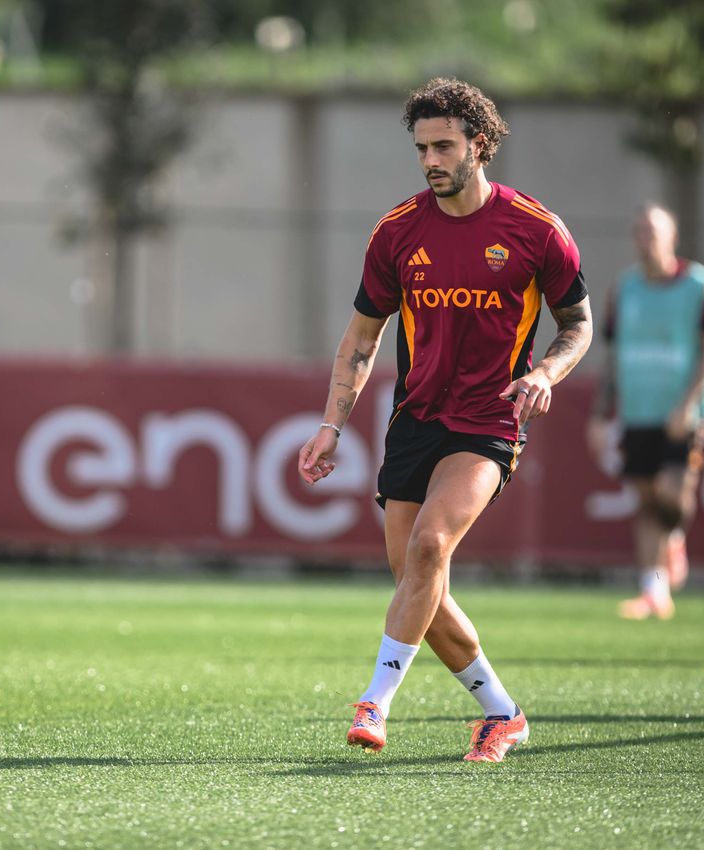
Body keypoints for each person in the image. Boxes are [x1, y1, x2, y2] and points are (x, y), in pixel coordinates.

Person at [298, 78, 593, 763]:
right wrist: (330, 425)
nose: (430, 159)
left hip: (489, 419)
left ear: (479, 145)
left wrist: (544, 373)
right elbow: (361, 339)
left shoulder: (536, 231)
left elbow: (575, 325)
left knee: (429, 549)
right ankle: (502, 713)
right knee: (416, 581)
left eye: (443, 146)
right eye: (420, 147)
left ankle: (375, 701)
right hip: (415, 419)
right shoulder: (397, 232)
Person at [587, 204, 704, 621]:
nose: (645, 238)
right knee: (647, 499)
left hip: (683, 412)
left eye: (654, 231)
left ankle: (675, 537)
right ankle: (653, 591)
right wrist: (600, 414)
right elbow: (612, 355)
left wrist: (690, 404)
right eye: (640, 231)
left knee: (671, 494)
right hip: (638, 411)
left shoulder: (701, 285)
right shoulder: (625, 288)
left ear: (673, 237)